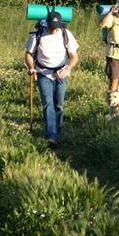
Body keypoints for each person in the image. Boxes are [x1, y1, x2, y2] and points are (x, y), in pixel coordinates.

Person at [24, 10, 79, 147]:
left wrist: (67, 69)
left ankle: (58, 132)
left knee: (59, 104)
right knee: (48, 103)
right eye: (52, 27)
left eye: (56, 27)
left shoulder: (66, 34)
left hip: (61, 73)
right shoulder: (37, 35)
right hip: (43, 73)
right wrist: (31, 67)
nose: (54, 29)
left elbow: (74, 56)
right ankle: (51, 135)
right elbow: (29, 54)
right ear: (47, 24)